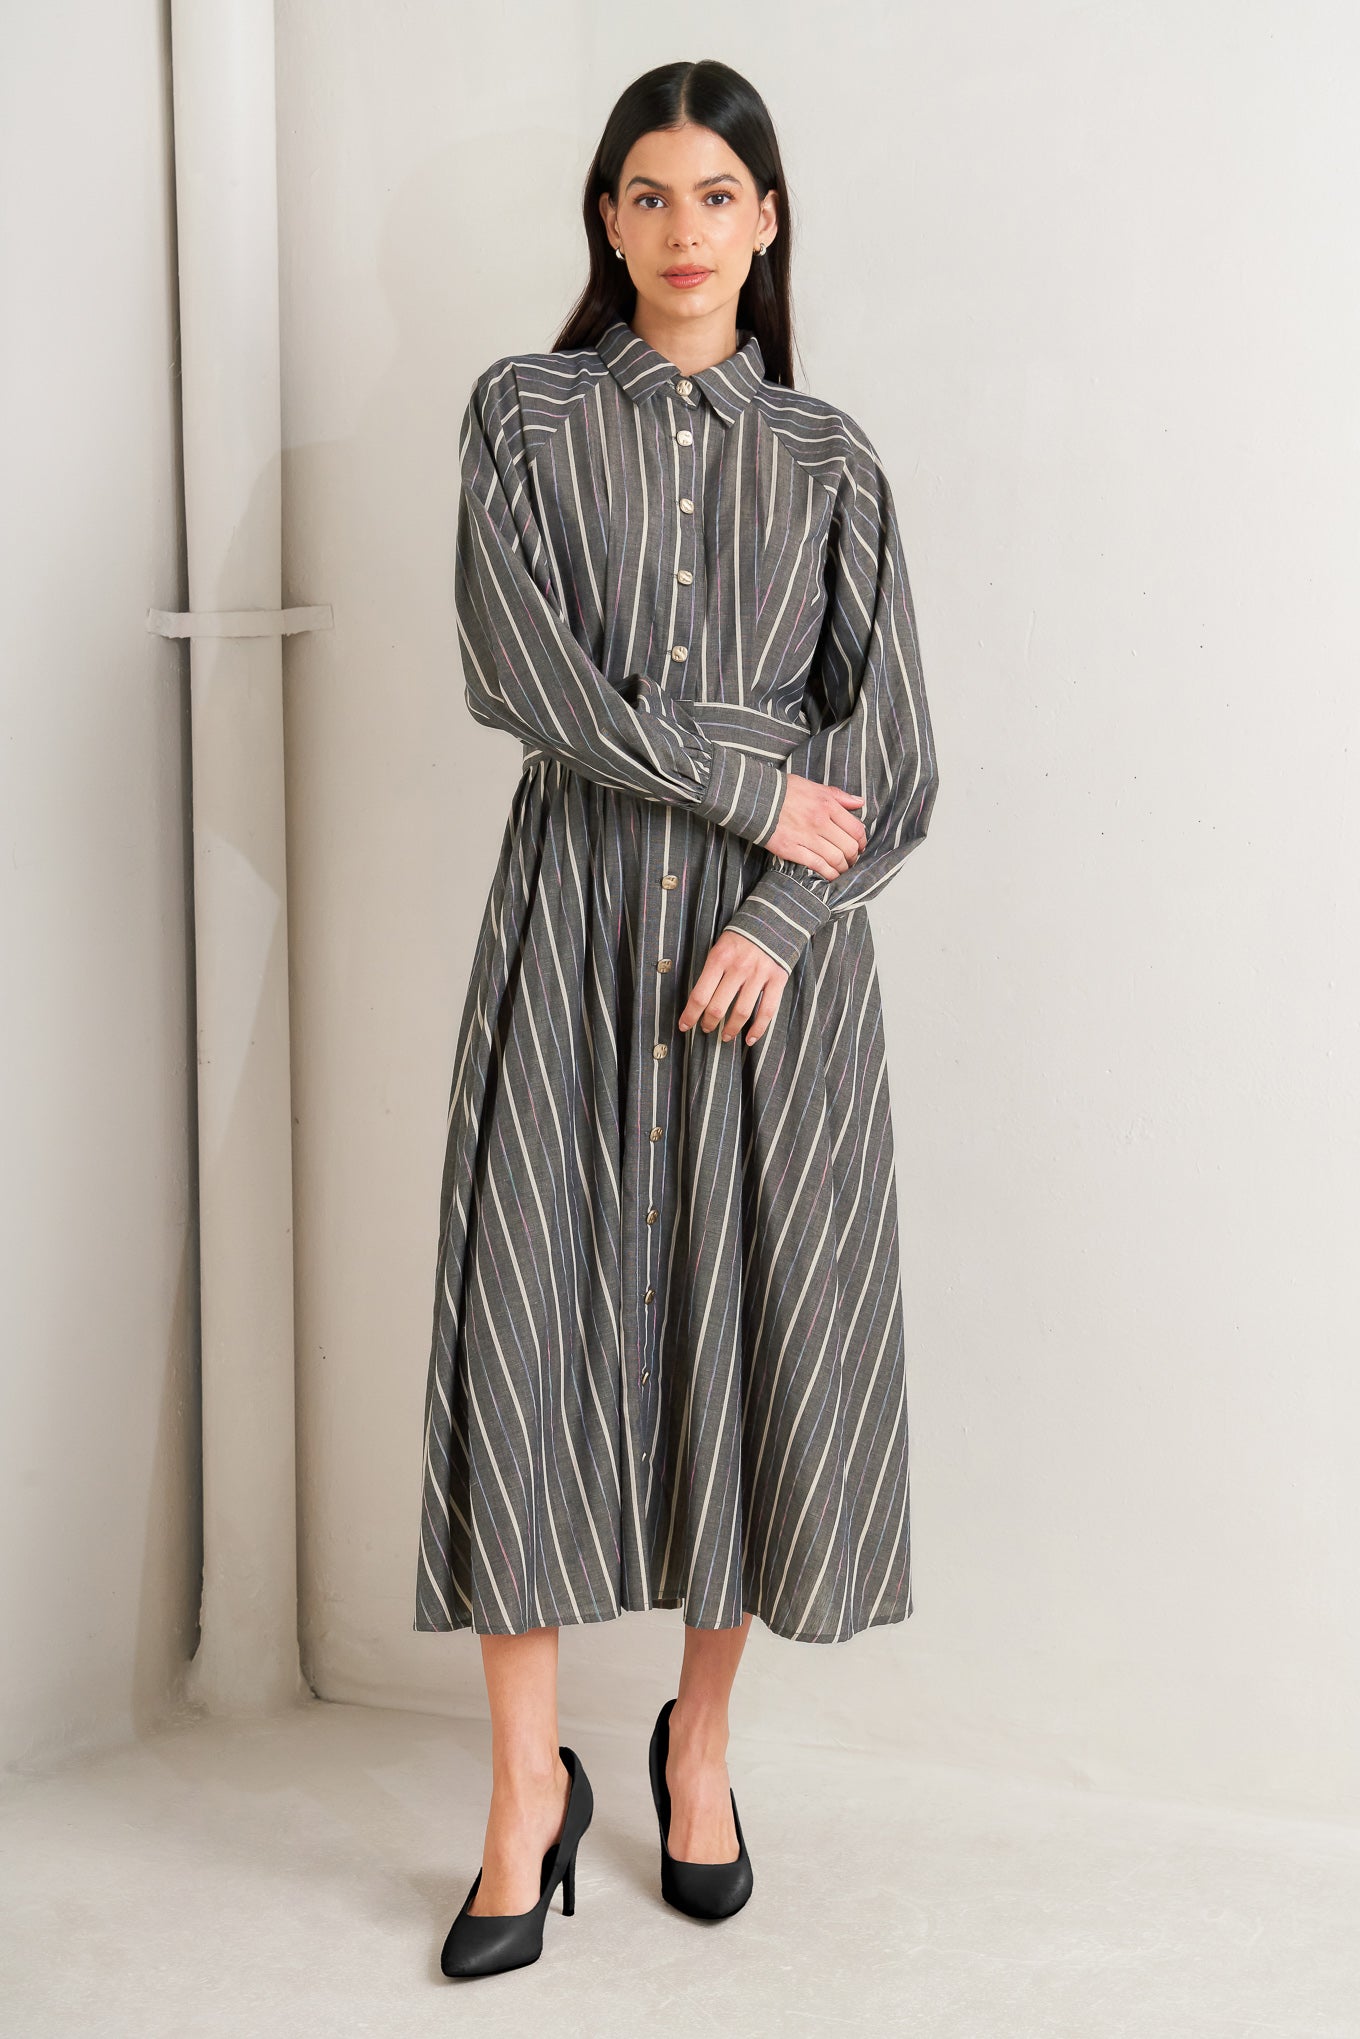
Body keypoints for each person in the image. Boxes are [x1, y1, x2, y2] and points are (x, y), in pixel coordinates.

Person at [417, 56, 940, 1978]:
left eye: (719, 194)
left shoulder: (833, 459)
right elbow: (517, 671)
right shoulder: (526, 413)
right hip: (574, 920)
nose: (685, 228)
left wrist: (787, 913)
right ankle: (521, 1795)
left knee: (753, 1330)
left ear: (768, 220)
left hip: (765, 971)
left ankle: (696, 1749)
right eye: (649, 193)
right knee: (527, 1325)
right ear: (606, 219)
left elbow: (894, 755)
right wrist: (740, 792)